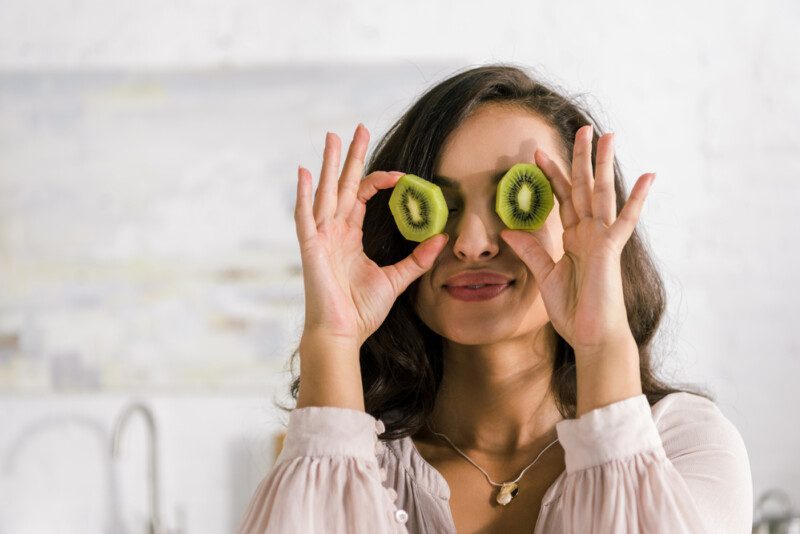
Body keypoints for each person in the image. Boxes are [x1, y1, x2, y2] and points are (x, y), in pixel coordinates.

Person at [237, 64, 753, 533]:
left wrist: (602, 344)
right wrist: (332, 339)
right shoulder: (353, 458)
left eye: (518, 201)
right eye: (442, 205)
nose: (471, 243)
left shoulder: (683, 445)